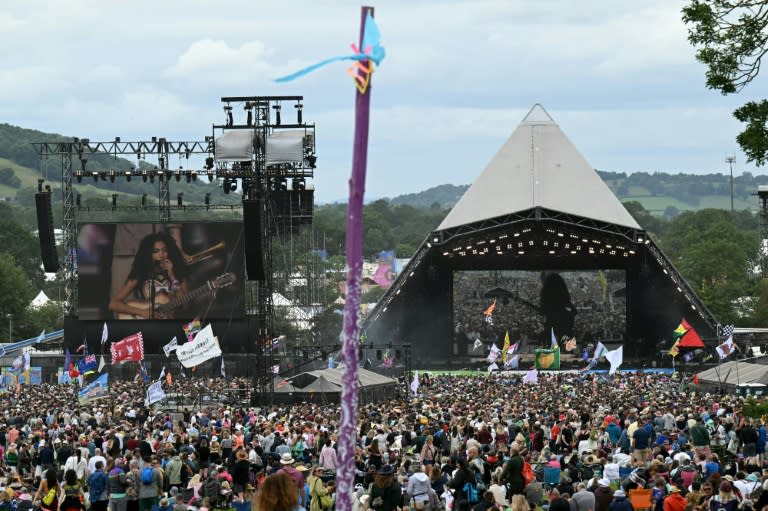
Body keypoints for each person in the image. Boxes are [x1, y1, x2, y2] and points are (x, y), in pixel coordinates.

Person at [109, 231, 190, 319]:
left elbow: (185, 305)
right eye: (156, 251)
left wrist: (172, 275)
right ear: (148, 254)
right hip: (150, 321)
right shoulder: (141, 274)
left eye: (165, 250)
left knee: (195, 327)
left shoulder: (177, 272)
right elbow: (113, 304)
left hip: (173, 319)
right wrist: (142, 312)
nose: (161, 254)